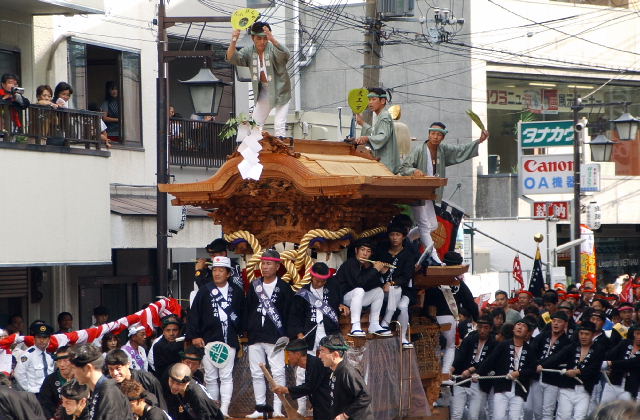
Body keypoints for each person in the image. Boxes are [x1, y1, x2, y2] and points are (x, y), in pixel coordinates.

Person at [397, 122, 488, 262]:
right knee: (424, 226)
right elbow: (403, 168)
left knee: (433, 225)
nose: (435, 137)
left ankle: (407, 239)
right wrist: (414, 171)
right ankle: (435, 258)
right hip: (417, 192)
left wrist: (479, 141)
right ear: (428, 134)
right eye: (433, 133)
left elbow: (459, 150)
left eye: (439, 134)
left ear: (443, 137)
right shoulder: (419, 149)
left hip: (429, 193)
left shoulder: (443, 150)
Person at [187, 255, 245, 417]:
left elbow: (243, 314)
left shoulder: (237, 292)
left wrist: (241, 331)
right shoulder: (204, 291)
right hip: (207, 340)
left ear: (228, 273)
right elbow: (194, 315)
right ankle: (213, 410)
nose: (217, 273)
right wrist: (195, 336)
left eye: (221, 270)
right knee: (210, 377)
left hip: (229, 339)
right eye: (214, 270)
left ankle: (224, 410)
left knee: (226, 377)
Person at [288, 262, 345, 416]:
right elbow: (294, 317)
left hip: (329, 337)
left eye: (322, 281)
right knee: (302, 373)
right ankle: (301, 408)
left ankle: (327, 406)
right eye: (317, 280)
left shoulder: (333, 289)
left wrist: (342, 305)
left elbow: (339, 303)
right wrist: (299, 334)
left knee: (330, 372)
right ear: (311, 276)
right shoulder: (303, 293)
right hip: (309, 338)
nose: (319, 283)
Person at [245, 249, 294, 418]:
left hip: (276, 337)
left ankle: (277, 409)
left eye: (268, 264)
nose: (264, 267)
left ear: (277, 266)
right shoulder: (255, 286)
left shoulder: (284, 288)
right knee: (256, 373)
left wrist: (288, 335)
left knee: (278, 372)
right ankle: (260, 409)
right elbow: (248, 309)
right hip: (255, 336)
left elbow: (289, 313)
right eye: (263, 263)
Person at [227, 21, 291, 137]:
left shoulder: (273, 48)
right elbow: (232, 58)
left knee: (279, 126)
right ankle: (255, 148)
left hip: (281, 90)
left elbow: (286, 54)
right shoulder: (249, 51)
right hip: (263, 91)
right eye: (259, 38)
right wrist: (234, 40)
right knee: (254, 126)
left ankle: (280, 147)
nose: (262, 42)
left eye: (265, 38)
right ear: (253, 38)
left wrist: (272, 39)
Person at [423, 252, 478, 376]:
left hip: (432, 319)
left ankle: (435, 373)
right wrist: (477, 318)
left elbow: (427, 301)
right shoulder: (458, 283)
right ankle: (445, 374)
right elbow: (470, 302)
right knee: (449, 347)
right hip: (449, 318)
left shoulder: (434, 280)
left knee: (435, 346)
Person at [541, 321, 604, 420]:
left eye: (587, 334)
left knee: (580, 417)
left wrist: (578, 372)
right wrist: (541, 365)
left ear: (593, 335)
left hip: (584, 389)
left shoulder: (598, 350)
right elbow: (556, 357)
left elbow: (595, 368)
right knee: (563, 416)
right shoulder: (572, 347)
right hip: (567, 388)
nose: (583, 337)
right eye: (581, 333)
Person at [477, 319, 536, 420]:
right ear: (513, 329)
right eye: (518, 324)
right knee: (498, 417)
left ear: (527, 333)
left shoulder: (529, 350)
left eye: (524, 326)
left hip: (519, 389)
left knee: (515, 417)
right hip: (501, 387)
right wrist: (478, 373)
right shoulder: (503, 345)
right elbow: (490, 361)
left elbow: (532, 370)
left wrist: (519, 373)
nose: (520, 327)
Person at [334, 238, 390, 337]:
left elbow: (373, 285)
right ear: (356, 250)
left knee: (378, 291)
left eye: (368, 251)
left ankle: (374, 324)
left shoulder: (365, 266)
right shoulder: (351, 263)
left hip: (357, 299)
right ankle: (355, 326)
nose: (365, 254)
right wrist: (374, 270)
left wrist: (382, 272)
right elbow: (359, 283)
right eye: (362, 250)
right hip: (343, 299)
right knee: (359, 290)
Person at [68, 343, 133, 420]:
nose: (72, 373)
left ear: (88, 368)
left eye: (73, 368)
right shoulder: (99, 390)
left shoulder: (109, 393)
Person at [375, 223, 415, 347]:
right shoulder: (382, 253)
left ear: (403, 237)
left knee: (402, 306)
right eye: (392, 235)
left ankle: (402, 336)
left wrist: (392, 283)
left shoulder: (408, 255)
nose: (395, 238)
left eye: (398, 235)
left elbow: (406, 276)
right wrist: (381, 271)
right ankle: (385, 323)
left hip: (404, 290)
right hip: (383, 290)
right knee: (392, 291)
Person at [273, 339, 332, 420]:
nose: (287, 359)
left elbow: (309, 387)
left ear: (298, 354)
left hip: (329, 410)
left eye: (289, 355)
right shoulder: (310, 365)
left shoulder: (315, 364)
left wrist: (286, 390)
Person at [450, 316, 496, 420]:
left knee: (473, 416)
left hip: (479, 382)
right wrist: (452, 368)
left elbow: (488, 362)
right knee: (456, 414)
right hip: (462, 378)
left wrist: (471, 370)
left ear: (491, 328)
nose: (482, 330)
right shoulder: (469, 339)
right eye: (480, 327)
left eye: (485, 327)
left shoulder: (494, 344)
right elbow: (460, 355)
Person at [317, 334, 372, 420]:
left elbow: (365, 396)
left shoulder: (347, 372)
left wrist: (345, 415)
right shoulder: (335, 370)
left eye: (322, 351)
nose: (319, 356)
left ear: (335, 354)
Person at [530, 311, 571, 420]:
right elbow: (531, 350)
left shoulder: (567, 342)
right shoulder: (543, 335)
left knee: (548, 411)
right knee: (536, 411)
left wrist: (541, 364)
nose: (556, 324)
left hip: (553, 379)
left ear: (565, 324)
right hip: (536, 377)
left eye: (559, 322)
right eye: (554, 321)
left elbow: (558, 358)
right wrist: (535, 364)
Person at [354, 87, 400, 173]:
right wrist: (362, 123)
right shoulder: (380, 116)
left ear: (382, 101)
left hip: (386, 164)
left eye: (373, 99)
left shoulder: (384, 116)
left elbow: (383, 136)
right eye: (369, 100)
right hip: (383, 163)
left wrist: (367, 138)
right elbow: (374, 134)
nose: (370, 102)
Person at [599, 325, 640, 404]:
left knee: (625, 411)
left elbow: (632, 362)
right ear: (634, 333)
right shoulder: (625, 343)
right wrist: (605, 362)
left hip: (630, 388)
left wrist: (610, 363)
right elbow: (609, 355)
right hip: (613, 383)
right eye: (637, 333)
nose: (639, 337)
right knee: (604, 408)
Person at [13, 321, 55, 393]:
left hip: (49, 393)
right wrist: (29, 389)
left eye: (45, 337)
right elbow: (18, 374)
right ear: (34, 338)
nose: (42, 340)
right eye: (39, 337)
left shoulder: (49, 356)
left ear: (49, 339)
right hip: (35, 393)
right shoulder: (28, 355)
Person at [38, 345, 75, 419]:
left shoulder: (81, 378)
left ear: (73, 361)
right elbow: (43, 404)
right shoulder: (50, 380)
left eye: (65, 361)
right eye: (59, 361)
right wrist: (50, 418)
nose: (61, 364)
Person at [148, 316, 183, 380]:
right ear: (163, 331)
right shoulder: (158, 346)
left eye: (175, 330)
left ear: (179, 331)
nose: (171, 333)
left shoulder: (184, 343)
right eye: (168, 330)